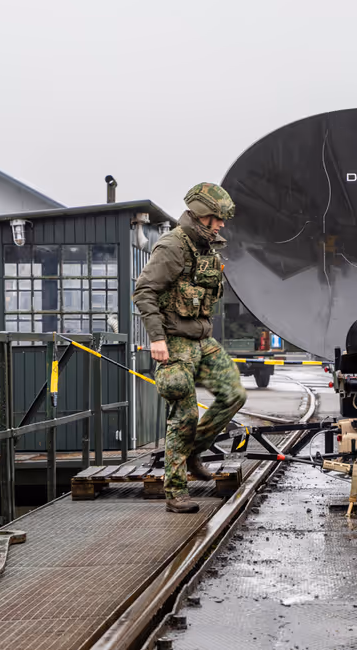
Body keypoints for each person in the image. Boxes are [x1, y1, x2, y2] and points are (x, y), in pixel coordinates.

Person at [132, 183, 247, 513]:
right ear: (201, 216)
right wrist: (157, 338)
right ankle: (176, 490)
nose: (221, 225)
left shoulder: (206, 248)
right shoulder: (172, 247)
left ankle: (194, 450)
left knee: (233, 394)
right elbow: (144, 293)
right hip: (175, 340)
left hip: (202, 339)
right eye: (216, 218)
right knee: (184, 413)